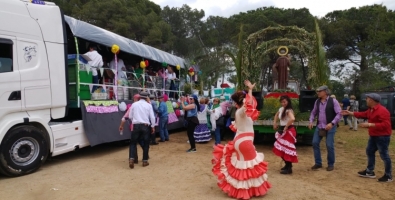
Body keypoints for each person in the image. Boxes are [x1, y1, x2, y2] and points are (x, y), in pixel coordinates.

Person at [212, 80, 271, 199]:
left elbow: (250, 105)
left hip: (241, 140)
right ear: (242, 101)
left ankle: (243, 189)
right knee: (248, 165)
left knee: (244, 165)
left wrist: (249, 92)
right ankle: (246, 191)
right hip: (245, 142)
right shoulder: (242, 112)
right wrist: (250, 90)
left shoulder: (240, 112)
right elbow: (249, 103)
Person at [342, 93, 393, 182]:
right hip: (373, 135)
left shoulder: (382, 110)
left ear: (372, 100)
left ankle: (388, 175)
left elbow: (386, 125)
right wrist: (350, 113)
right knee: (369, 151)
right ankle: (370, 171)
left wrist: (369, 124)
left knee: (384, 155)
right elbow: (363, 114)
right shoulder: (371, 109)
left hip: (382, 136)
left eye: (367, 98)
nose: (366, 100)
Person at [308, 85, 342, 171]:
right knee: (315, 143)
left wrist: (332, 123)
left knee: (329, 145)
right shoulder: (317, 102)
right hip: (320, 126)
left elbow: (339, 113)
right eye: (318, 91)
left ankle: (331, 164)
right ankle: (318, 163)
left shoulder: (333, 101)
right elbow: (313, 112)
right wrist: (311, 121)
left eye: (320, 91)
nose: (318, 93)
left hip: (330, 127)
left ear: (326, 92)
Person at [119, 91, 155, 169]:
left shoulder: (134, 105)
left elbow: (131, 116)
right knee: (146, 143)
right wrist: (152, 126)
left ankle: (131, 159)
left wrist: (135, 121)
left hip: (136, 125)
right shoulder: (149, 105)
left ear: (139, 97)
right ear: (146, 97)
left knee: (133, 143)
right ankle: (145, 161)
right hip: (145, 125)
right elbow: (152, 117)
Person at [272, 95, 298, 174]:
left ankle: (289, 167)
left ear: (288, 102)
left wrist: (286, 126)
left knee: (287, 149)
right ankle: (287, 165)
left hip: (289, 130)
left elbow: (292, 118)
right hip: (283, 130)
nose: (283, 103)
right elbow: (276, 115)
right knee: (282, 149)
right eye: (282, 102)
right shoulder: (281, 109)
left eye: (284, 102)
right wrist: (275, 123)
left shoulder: (288, 110)